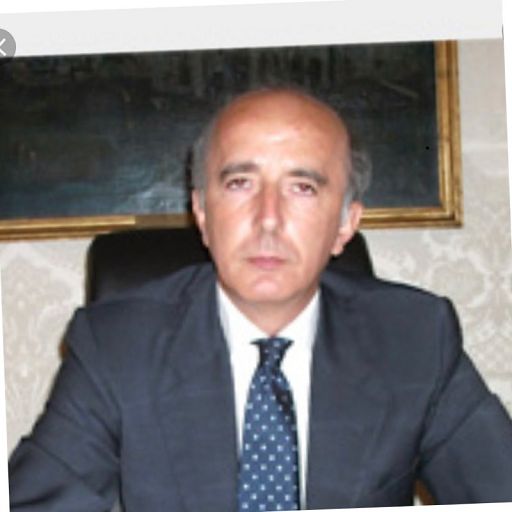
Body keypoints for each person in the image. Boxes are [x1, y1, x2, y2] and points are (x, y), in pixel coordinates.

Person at [9, 88, 512, 511]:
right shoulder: (117, 347)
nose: (267, 218)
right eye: (240, 183)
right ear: (202, 213)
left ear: (345, 225)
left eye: (302, 188)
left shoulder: (416, 339)